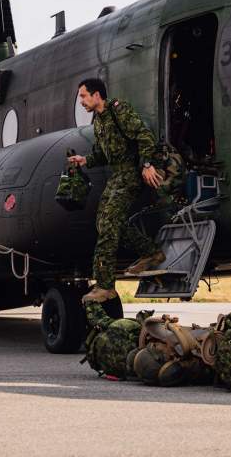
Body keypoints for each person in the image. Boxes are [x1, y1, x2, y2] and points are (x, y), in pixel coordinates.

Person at [68, 77, 166, 304]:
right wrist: (85, 160)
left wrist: (147, 165)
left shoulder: (117, 110)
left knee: (109, 224)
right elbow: (104, 154)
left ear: (96, 95)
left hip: (131, 173)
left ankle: (104, 286)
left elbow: (143, 135)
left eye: (83, 96)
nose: (81, 101)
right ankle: (151, 252)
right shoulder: (99, 121)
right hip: (117, 176)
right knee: (104, 223)